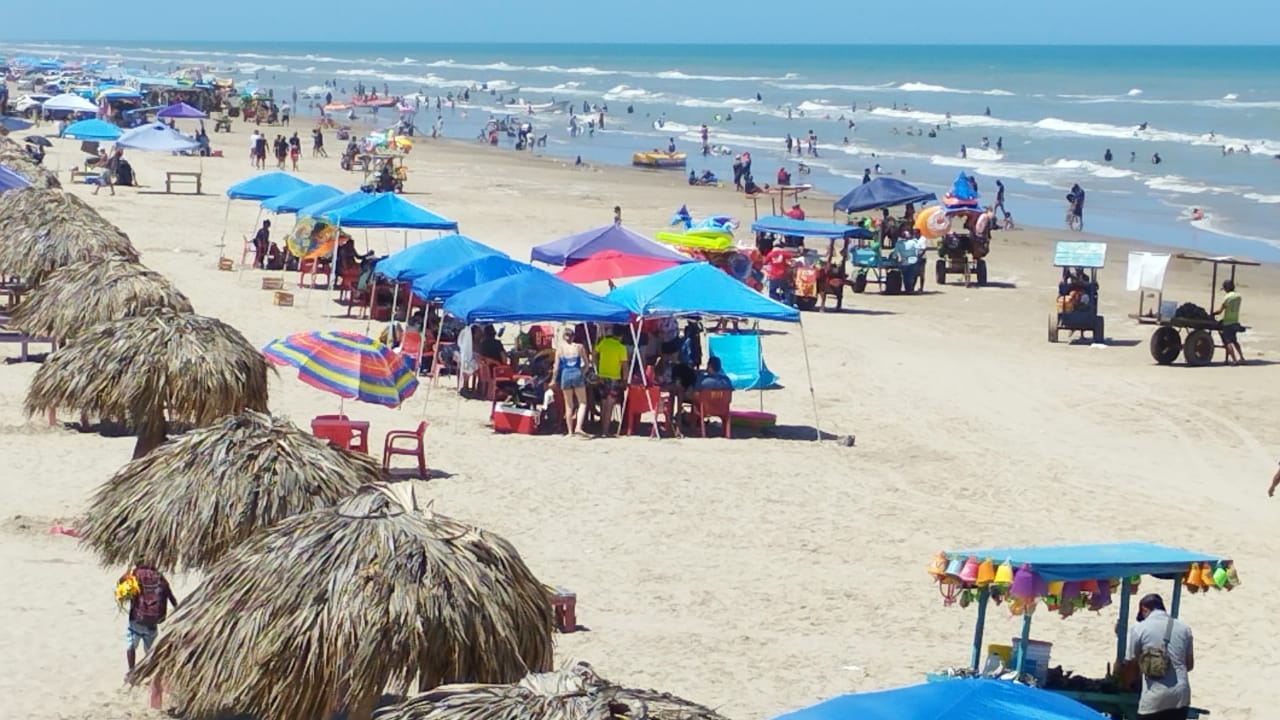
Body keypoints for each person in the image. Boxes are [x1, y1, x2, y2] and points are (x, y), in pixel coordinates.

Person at [1126, 594, 1193, 720]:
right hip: (1180, 696)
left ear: (1144, 609)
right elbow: (1189, 665)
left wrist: (1128, 685)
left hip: (1154, 696)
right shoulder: (1184, 628)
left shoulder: (1139, 628)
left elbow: (1132, 664)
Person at [121, 558, 179, 678]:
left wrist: (127, 573)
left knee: (131, 646)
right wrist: (178, 610)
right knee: (150, 651)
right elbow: (171, 597)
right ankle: (149, 673)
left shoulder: (136, 574)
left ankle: (131, 672)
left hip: (136, 619)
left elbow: (122, 590)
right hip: (152, 622)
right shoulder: (159, 577)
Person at [552, 326, 591, 436]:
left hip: (565, 374)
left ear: (564, 337)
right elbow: (587, 364)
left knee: (569, 405)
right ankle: (578, 426)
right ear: (573, 336)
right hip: (577, 372)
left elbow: (556, 367)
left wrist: (553, 380)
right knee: (582, 402)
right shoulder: (579, 347)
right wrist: (582, 373)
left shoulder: (560, 349)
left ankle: (570, 432)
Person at [593, 325, 629, 436]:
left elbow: (594, 353)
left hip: (602, 376)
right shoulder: (621, 347)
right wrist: (625, 380)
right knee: (610, 405)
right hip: (614, 378)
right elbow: (624, 366)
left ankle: (603, 428)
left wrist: (597, 366)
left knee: (603, 404)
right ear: (621, 336)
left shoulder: (604, 342)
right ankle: (605, 431)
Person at [1212, 278, 1243, 365]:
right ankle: (1242, 357)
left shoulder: (1227, 297)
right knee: (1235, 341)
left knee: (1228, 342)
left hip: (1227, 322)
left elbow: (1220, 311)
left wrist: (1213, 313)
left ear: (1226, 288)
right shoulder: (1238, 296)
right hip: (1235, 321)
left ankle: (1234, 360)